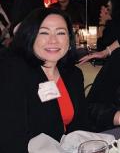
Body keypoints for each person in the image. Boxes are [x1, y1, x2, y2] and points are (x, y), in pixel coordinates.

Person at [0, 8, 89, 152]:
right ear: (30, 36)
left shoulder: (73, 75)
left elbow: (80, 126)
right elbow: (10, 138)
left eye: (61, 32)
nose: (53, 40)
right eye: (44, 32)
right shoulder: (14, 72)